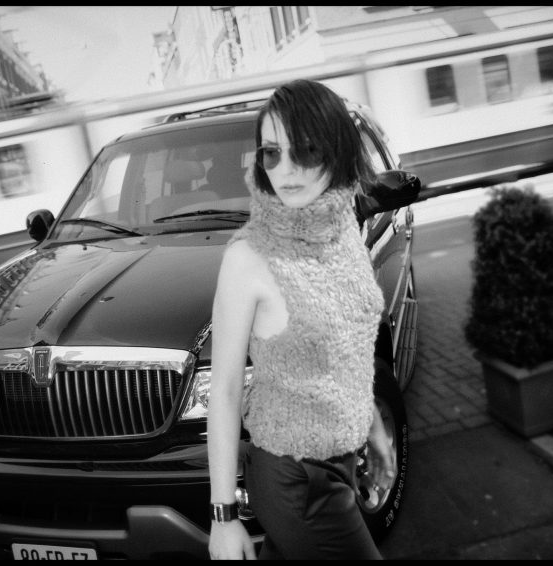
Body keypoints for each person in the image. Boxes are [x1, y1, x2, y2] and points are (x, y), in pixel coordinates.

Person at [207, 79, 396, 560]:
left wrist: (371, 426)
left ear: (336, 149)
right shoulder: (249, 256)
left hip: (341, 462)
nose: (286, 171)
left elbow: (351, 351)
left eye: (305, 150)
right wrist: (223, 518)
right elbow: (225, 392)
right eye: (271, 153)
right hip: (294, 479)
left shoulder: (343, 228)